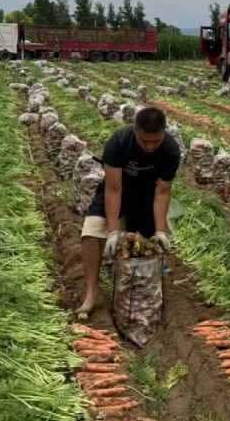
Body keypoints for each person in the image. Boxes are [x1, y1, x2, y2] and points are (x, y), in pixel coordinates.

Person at [77, 106, 181, 317]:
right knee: (90, 232)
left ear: (163, 134)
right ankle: (91, 294)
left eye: (156, 141)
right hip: (117, 189)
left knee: (145, 243)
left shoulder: (170, 150)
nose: (150, 146)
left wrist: (160, 231)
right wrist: (113, 231)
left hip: (146, 195)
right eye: (145, 142)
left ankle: (142, 295)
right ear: (135, 131)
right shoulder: (118, 143)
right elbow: (114, 190)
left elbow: (162, 193)